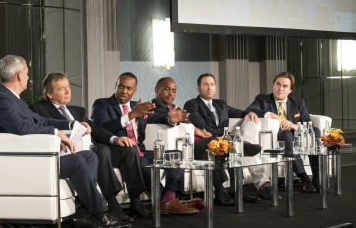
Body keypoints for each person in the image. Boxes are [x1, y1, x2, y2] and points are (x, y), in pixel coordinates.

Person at [0, 55, 130, 228]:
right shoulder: (1, 99)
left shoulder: (14, 99)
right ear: (18, 75)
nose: (28, 77)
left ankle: (81, 215)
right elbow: (21, 127)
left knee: (89, 156)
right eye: (26, 72)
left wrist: (71, 125)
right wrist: (56, 133)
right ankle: (99, 214)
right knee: (76, 161)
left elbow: (40, 120)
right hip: (25, 162)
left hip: (37, 157)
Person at [29, 72, 145, 222]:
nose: (68, 91)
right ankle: (113, 206)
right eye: (62, 89)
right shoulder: (38, 109)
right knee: (101, 151)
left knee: (128, 149)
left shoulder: (78, 111)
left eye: (68, 87)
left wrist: (115, 139)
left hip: (92, 148)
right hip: (73, 153)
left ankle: (136, 202)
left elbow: (95, 129)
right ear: (49, 94)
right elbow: (43, 126)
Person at [91, 72, 200, 216]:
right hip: (121, 151)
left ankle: (169, 198)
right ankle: (169, 203)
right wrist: (131, 115)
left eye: (129, 88)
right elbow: (103, 127)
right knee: (143, 164)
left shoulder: (136, 106)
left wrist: (168, 118)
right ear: (116, 86)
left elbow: (155, 116)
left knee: (176, 157)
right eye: (121, 87)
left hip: (141, 150)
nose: (124, 91)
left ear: (134, 90)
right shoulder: (102, 104)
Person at [184, 73, 270, 203]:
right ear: (198, 88)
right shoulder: (192, 104)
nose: (209, 87)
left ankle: (237, 189)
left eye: (212, 84)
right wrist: (227, 137)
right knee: (219, 144)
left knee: (248, 124)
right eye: (205, 84)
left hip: (223, 142)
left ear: (215, 87)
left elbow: (240, 113)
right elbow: (202, 127)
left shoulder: (221, 104)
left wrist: (250, 113)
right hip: (201, 144)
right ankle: (220, 192)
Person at [246, 72, 319, 193]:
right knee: (286, 135)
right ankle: (305, 178)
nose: (280, 88)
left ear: (290, 90)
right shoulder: (263, 99)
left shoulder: (298, 103)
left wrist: (295, 126)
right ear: (274, 85)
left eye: (285, 86)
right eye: (277, 84)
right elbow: (250, 110)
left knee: (315, 131)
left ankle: (317, 178)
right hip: (277, 137)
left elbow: (307, 122)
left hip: (297, 135)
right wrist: (272, 115)